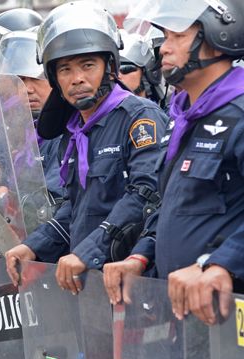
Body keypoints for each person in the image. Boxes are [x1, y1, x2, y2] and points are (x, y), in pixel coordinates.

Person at [4, 1, 167, 296]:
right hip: (88, 284)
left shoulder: (139, 117)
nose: (77, 78)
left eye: (88, 65)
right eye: (65, 69)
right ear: (54, 78)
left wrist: (89, 251)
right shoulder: (74, 130)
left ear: (110, 67)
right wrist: (33, 245)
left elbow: (146, 194)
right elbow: (79, 207)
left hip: (135, 285)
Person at [102, 0, 244, 326]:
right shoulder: (183, 117)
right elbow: (172, 208)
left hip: (229, 321)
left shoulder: (238, 113)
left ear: (218, 35)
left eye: (176, 35)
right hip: (184, 317)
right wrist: (141, 255)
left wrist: (219, 264)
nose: (164, 48)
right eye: (164, 36)